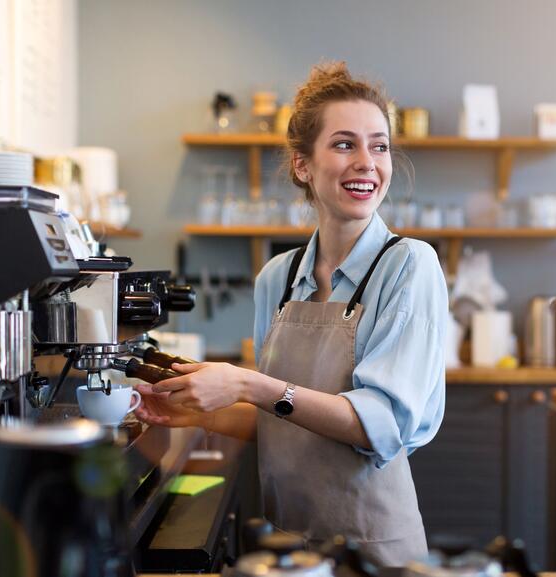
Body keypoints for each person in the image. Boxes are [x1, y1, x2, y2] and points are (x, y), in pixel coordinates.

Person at [134, 62, 448, 566]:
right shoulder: (277, 277)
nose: (367, 163)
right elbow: (281, 420)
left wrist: (246, 384)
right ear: (303, 165)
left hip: (370, 550)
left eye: (379, 146)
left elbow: (381, 425)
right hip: (285, 545)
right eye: (344, 144)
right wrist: (196, 412)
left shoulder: (409, 265)